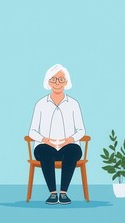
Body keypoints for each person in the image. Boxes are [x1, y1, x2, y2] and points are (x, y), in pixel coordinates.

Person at [29, 64, 85, 205]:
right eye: (53, 79)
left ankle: (64, 193)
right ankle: (53, 193)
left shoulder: (73, 104)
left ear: (67, 82)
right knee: (44, 151)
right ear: (48, 82)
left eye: (61, 79)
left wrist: (69, 139)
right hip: (46, 146)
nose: (57, 83)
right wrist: (45, 139)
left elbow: (81, 130)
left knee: (73, 150)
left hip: (68, 145)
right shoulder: (41, 104)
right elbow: (32, 131)